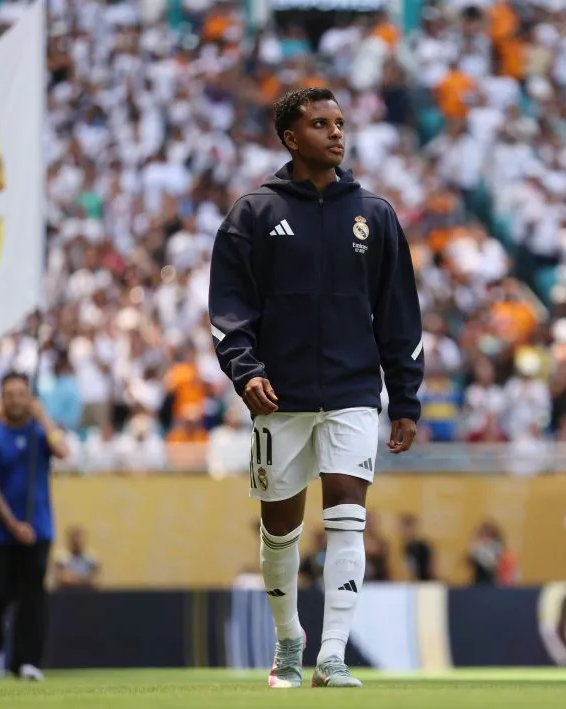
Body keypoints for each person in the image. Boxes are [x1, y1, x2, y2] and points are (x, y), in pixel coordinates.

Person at [208, 87, 424, 689]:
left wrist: (404, 397)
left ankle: (332, 655)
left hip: (355, 393)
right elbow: (228, 309)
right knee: (280, 531)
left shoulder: (375, 215)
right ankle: (288, 643)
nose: (336, 133)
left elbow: (400, 314)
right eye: (320, 123)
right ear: (289, 137)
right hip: (280, 396)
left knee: (348, 520)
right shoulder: (252, 213)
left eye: (340, 123)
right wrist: (246, 371)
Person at [0, 372, 70, 681]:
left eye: (21, 394)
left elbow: (64, 452)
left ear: (29, 398)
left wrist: (44, 418)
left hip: (39, 529)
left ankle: (27, 662)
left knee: (32, 598)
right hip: (0, 534)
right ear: (1, 400)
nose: (16, 400)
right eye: (9, 394)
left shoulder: (39, 432)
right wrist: (14, 526)